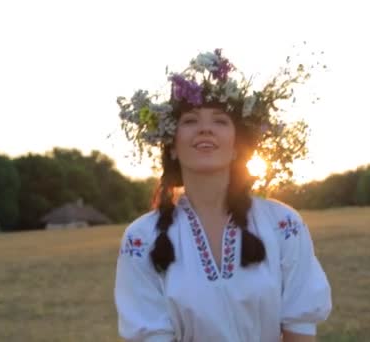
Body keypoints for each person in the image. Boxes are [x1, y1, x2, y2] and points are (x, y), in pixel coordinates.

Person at [114, 49, 332, 342]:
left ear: (236, 147)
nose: (205, 128)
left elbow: (300, 328)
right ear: (173, 147)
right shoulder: (141, 239)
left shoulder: (283, 225)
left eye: (220, 121)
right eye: (190, 121)